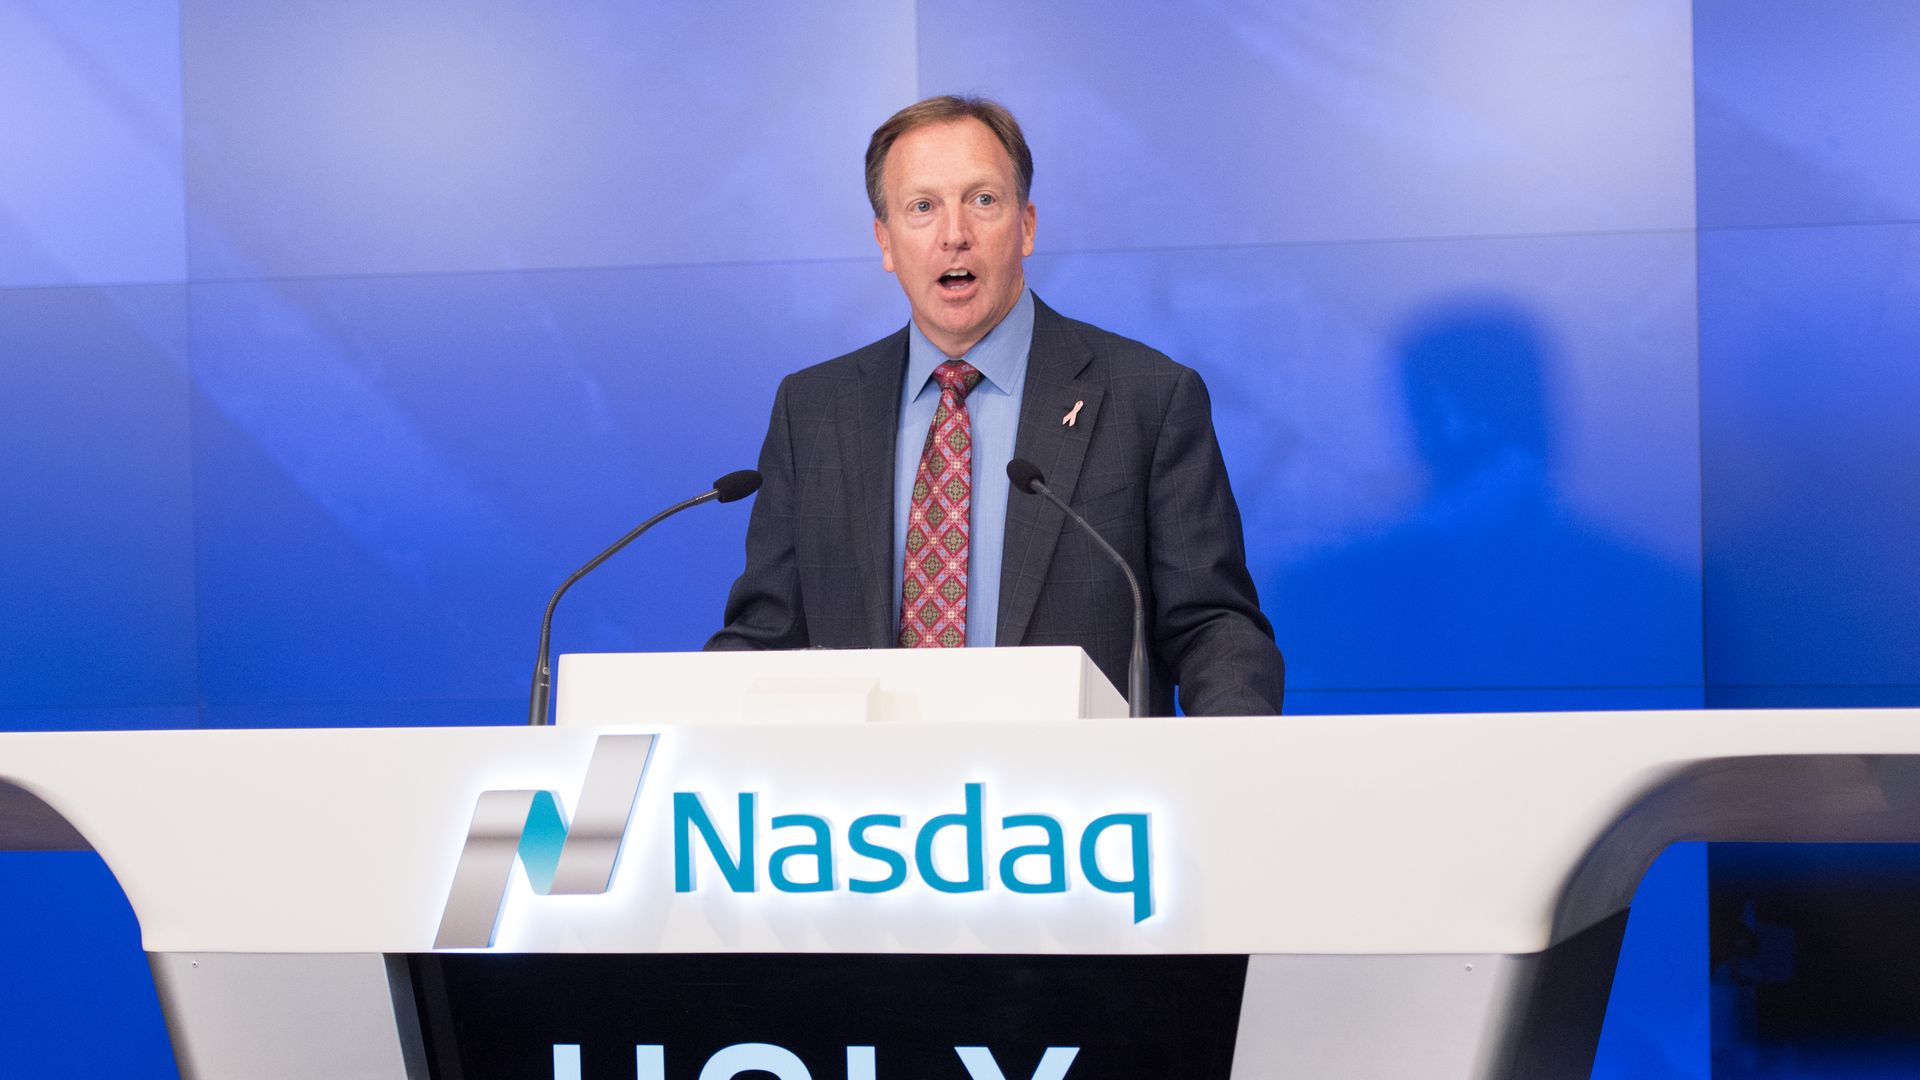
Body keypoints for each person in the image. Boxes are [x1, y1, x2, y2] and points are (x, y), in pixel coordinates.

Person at [707, 95, 1284, 716]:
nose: (954, 234)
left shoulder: (1147, 396)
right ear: (885, 241)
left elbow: (1211, 627)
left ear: (1026, 226)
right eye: (922, 207)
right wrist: (689, 718)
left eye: (982, 200)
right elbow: (765, 636)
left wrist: (1233, 750)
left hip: (1081, 778)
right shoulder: (814, 410)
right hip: (868, 780)